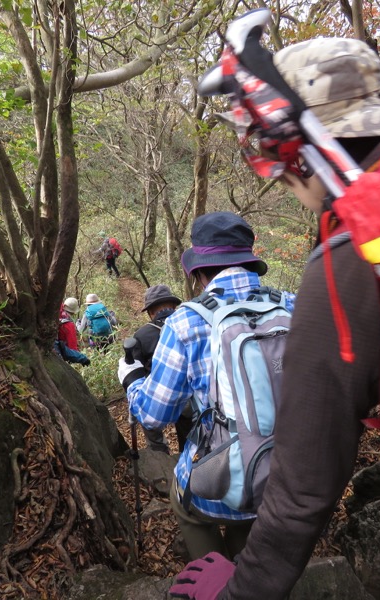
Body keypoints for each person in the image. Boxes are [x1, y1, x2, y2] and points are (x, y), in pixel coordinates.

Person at [169, 38, 380, 600]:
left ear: (296, 152)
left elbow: (302, 494)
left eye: (279, 168)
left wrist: (237, 590)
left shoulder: (355, 253)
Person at [118, 212, 295, 561]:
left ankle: (213, 572)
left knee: (186, 505)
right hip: (286, 472)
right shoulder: (292, 304)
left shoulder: (186, 320)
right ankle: (246, 565)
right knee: (251, 525)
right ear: (249, 261)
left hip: (220, 481)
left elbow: (153, 416)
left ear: (199, 272)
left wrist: (132, 380)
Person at [128, 284, 195, 454]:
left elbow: (137, 371)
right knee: (188, 437)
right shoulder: (190, 326)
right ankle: (187, 458)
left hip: (158, 396)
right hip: (189, 397)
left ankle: (160, 456)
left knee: (150, 422)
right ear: (174, 306)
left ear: (150, 312)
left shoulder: (142, 335)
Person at [55, 297, 90, 365]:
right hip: (62, 352)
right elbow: (72, 345)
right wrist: (78, 357)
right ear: (74, 312)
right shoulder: (69, 325)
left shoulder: (56, 314)